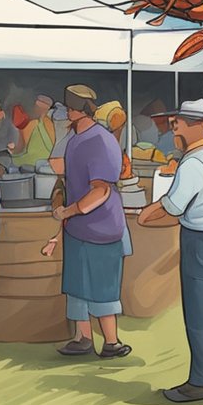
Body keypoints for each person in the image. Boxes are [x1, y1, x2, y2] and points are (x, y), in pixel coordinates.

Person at [138, 99, 203, 403]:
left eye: (178, 124)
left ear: (198, 126)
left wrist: (146, 213)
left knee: (199, 312)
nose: (174, 130)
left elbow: (173, 204)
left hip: (199, 240)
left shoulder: (194, 162)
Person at [52, 85, 131, 358]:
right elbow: (67, 178)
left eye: (70, 108)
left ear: (79, 110)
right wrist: (61, 201)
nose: (67, 112)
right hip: (77, 228)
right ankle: (83, 337)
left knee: (101, 285)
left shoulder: (101, 140)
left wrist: (69, 211)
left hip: (101, 228)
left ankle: (111, 341)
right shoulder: (74, 139)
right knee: (77, 284)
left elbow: (101, 190)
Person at [13, 95, 56, 167]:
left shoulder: (43, 124)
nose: (35, 109)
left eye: (37, 107)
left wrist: (13, 152)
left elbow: (20, 148)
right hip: (46, 161)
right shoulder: (49, 123)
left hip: (32, 161)